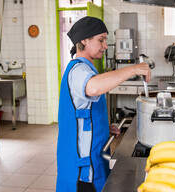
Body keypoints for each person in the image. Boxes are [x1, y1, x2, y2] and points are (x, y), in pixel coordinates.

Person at [57, 16, 151, 192]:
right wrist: (134, 68)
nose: (106, 46)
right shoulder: (78, 70)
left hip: (95, 157)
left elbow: (85, 111)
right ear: (84, 41)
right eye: (101, 40)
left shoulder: (87, 68)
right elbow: (93, 88)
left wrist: (103, 127)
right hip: (82, 171)